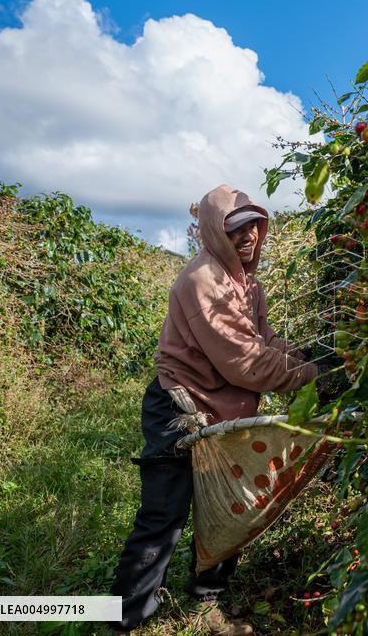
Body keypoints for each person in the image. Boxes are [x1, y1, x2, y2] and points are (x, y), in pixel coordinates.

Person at [108, 184, 317, 634]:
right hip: (181, 408)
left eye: (254, 227)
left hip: (226, 412)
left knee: (230, 507)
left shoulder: (247, 284)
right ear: (213, 233)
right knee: (164, 515)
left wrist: (305, 356)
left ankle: (207, 598)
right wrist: (309, 376)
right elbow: (245, 361)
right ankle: (125, 616)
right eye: (236, 229)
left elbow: (261, 342)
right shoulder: (202, 280)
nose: (249, 238)